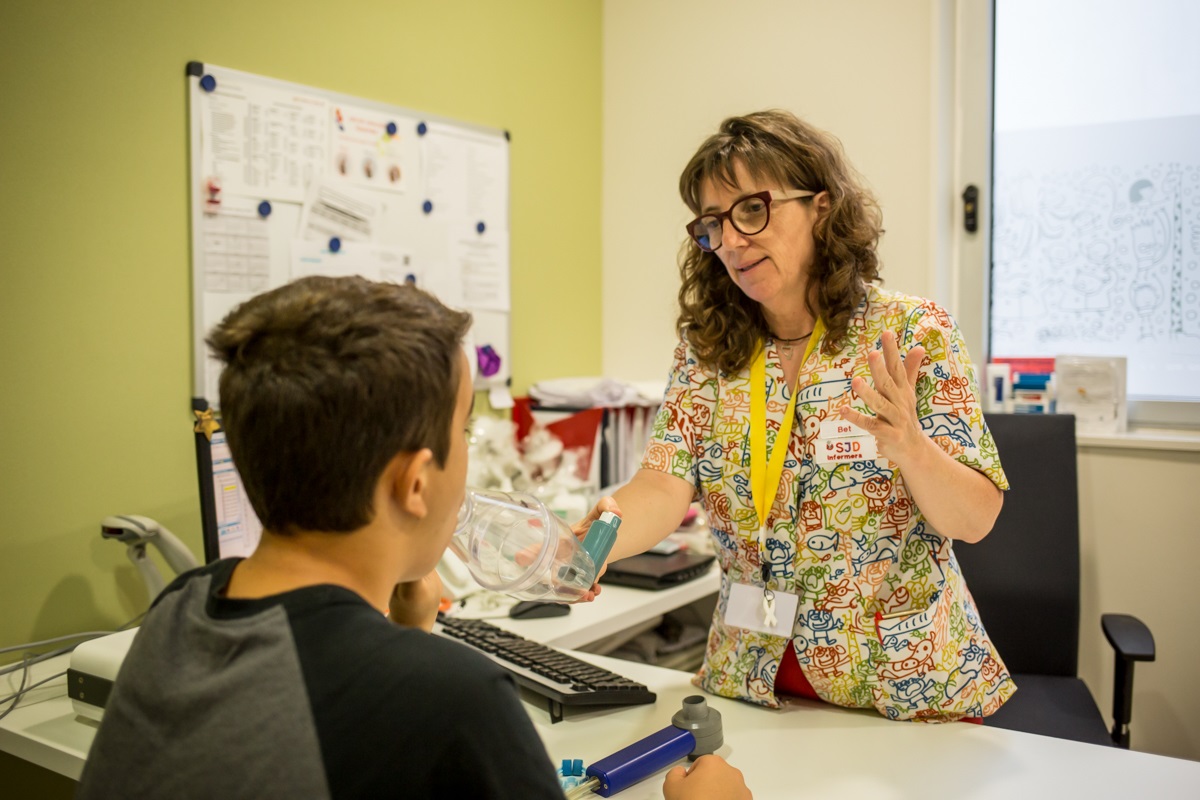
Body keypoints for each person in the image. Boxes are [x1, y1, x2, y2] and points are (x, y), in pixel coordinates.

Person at [76, 276, 750, 799]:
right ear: (417, 483)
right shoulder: (453, 699)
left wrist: (409, 635)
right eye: (462, 432)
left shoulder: (181, 608)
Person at [577, 111, 1015, 723]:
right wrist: (602, 538)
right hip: (752, 680)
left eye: (751, 211)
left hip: (902, 690)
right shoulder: (707, 351)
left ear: (821, 207)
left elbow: (975, 519)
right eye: (713, 224)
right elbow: (660, 485)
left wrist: (912, 448)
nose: (730, 241)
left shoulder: (911, 333)